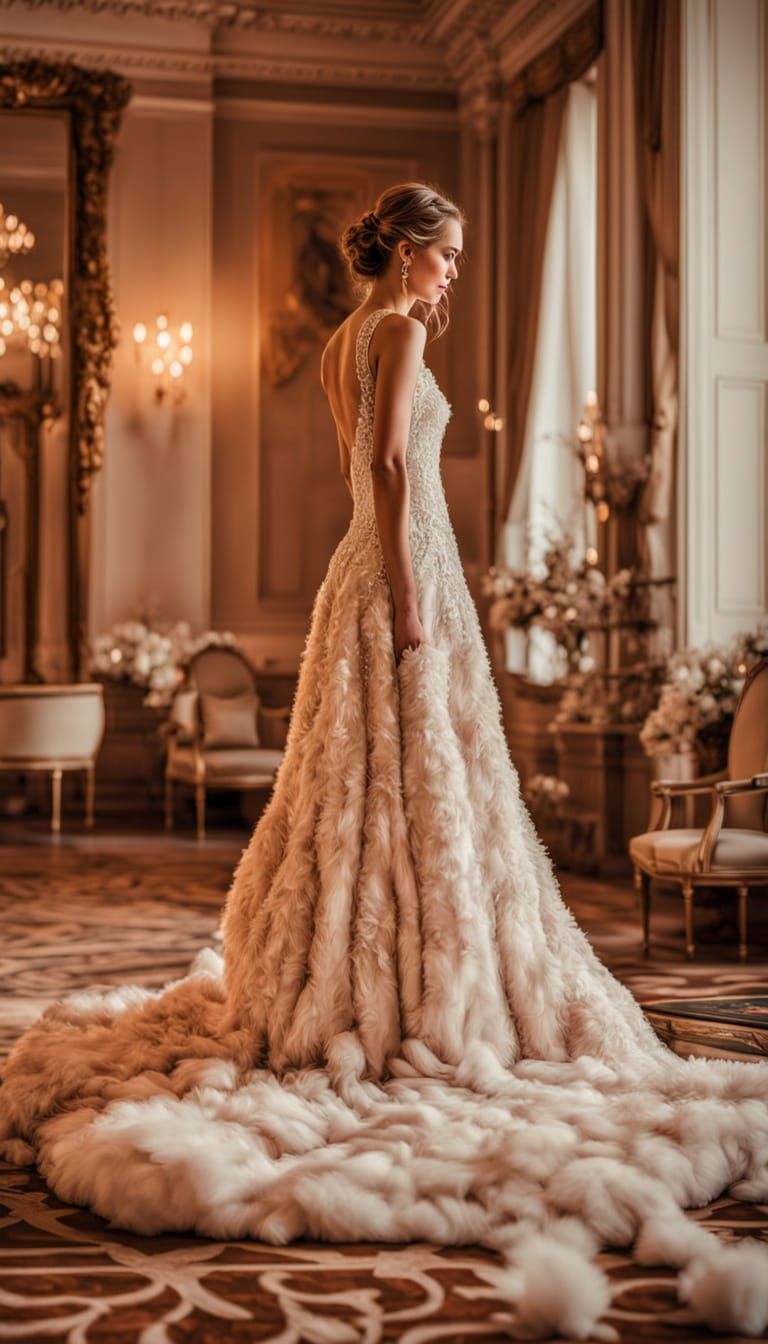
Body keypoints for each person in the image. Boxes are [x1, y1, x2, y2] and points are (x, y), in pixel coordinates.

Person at [1, 181, 767, 1341]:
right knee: (412, 778)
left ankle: (383, 971)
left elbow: (366, 467)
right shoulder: (400, 329)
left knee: (372, 788)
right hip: (400, 569)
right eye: (447, 256)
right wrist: (414, 599)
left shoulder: (338, 342)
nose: (453, 276)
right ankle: (419, 980)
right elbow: (399, 471)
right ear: (407, 251)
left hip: (357, 570)